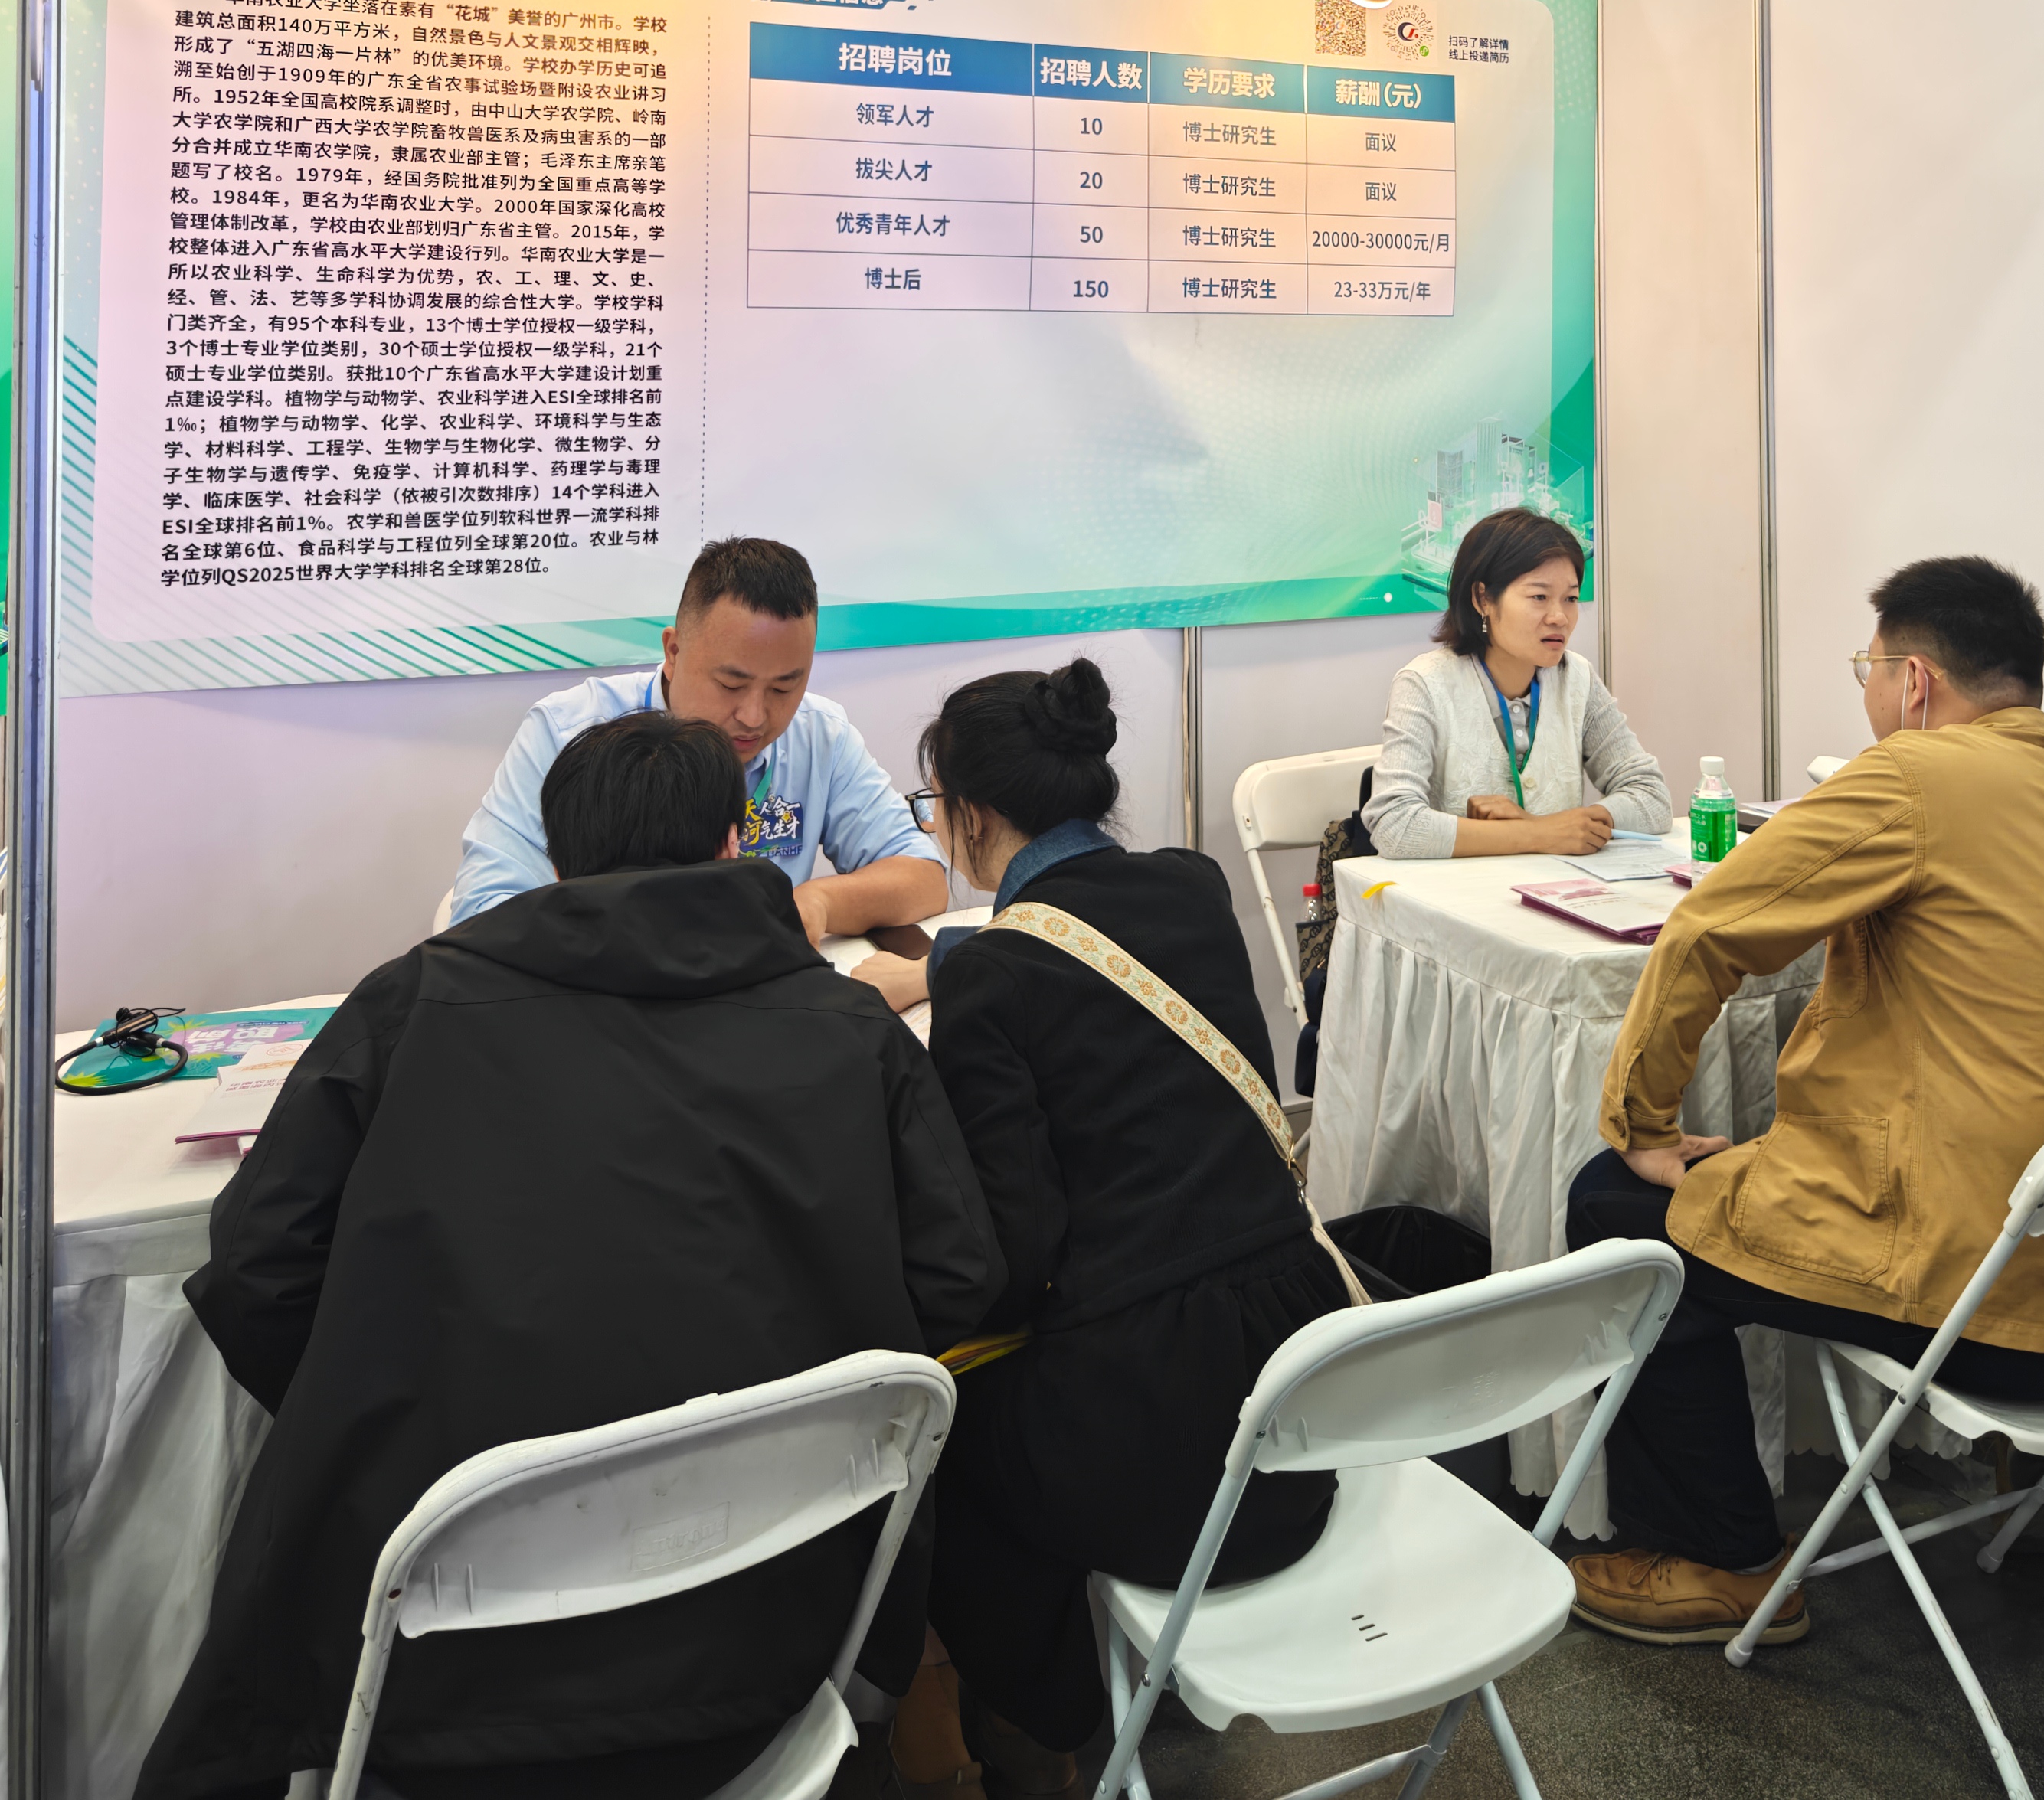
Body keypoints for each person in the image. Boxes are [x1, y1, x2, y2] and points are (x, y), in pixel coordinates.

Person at [138, 711, 1002, 1800]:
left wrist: (387, 1402)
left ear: (556, 856)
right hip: (765, 1651)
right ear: (735, 842)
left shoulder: (413, 1005)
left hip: (426, 1680)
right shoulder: (852, 1028)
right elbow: (959, 1277)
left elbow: (258, 1269)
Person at [1561, 556, 2044, 1648]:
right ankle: (2037, 1493)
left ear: (1915, 680)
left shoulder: (1910, 776)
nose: (1870, 696)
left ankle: (1721, 1560)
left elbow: (1705, 930)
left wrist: (1643, 1126)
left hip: (2004, 1324)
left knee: (1616, 1203)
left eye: (1869, 671)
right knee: (2022, 1145)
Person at [894, 658, 1352, 1797]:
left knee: (936, 1435)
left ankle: (1039, 1726)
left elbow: (1014, 1262)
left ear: (974, 813)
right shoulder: (1193, 885)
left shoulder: (990, 977)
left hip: (1162, 1460)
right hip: (1302, 1415)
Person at [452, 535, 945, 945]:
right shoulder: (569, 733)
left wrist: (816, 902)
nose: (754, 716)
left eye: (784, 688)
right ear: (673, 651)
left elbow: (923, 877)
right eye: (730, 684)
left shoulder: (820, 734)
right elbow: (483, 912)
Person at [1364, 505, 1670, 861]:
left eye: (1571, 598)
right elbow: (1395, 825)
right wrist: (1540, 833)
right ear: (1482, 599)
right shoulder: (1424, 684)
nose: (1560, 617)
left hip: (1558, 888)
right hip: (1458, 891)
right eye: (1539, 597)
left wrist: (1564, 826)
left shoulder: (1578, 678)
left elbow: (1652, 796)